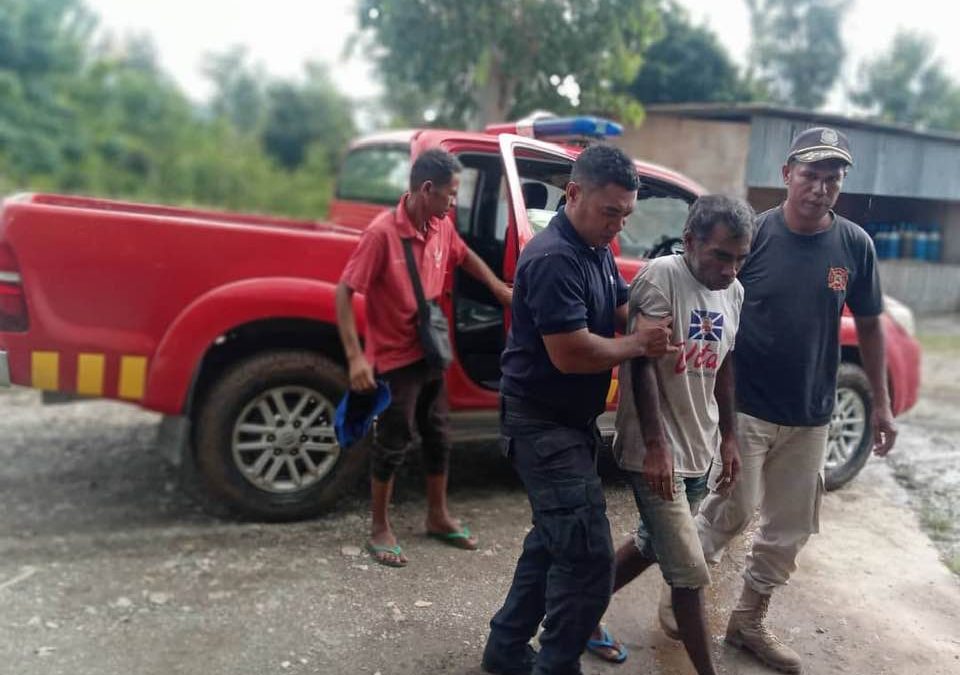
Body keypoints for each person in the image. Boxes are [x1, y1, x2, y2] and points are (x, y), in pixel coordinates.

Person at [693, 127, 898, 674]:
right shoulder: (754, 235)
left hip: (812, 413)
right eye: (810, 174)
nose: (821, 187)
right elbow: (718, 314)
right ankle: (682, 596)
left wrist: (880, 403)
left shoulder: (855, 245)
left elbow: (872, 325)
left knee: (791, 528)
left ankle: (748, 619)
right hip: (748, 407)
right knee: (728, 510)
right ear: (786, 175)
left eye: (833, 177)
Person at [480, 144, 676, 675]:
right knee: (588, 561)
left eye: (626, 215)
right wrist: (639, 346)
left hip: (569, 425)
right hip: (541, 425)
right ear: (574, 194)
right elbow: (571, 353)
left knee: (552, 541)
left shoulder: (594, 247)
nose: (617, 225)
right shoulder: (553, 257)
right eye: (610, 211)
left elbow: (612, 305)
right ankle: (557, 665)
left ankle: (504, 651)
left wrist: (654, 313)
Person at [585, 195, 755, 675]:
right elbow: (641, 361)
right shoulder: (662, 277)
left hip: (699, 447)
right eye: (721, 255)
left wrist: (728, 438)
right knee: (690, 573)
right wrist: (656, 447)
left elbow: (724, 366)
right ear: (690, 241)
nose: (730, 269)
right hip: (653, 452)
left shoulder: (734, 291)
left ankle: (574, 614)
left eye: (740, 258)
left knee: (650, 545)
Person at [335, 148, 512, 568]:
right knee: (394, 440)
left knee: (438, 433)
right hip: (395, 358)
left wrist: (499, 290)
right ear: (426, 189)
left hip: (431, 349)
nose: (454, 202)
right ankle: (380, 527)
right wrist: (355, 358)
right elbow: (344, 292)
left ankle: (438, 515)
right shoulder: (382, 234)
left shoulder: (440, 224)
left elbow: (464, 255)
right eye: (450, 194)